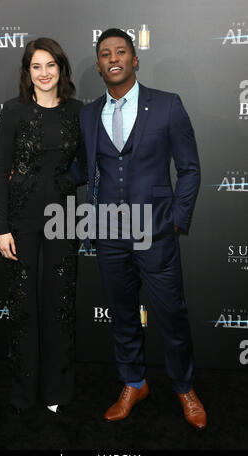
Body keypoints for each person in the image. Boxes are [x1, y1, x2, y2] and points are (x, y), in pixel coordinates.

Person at [70, 28, 206, 429]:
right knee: (123, 316)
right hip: (108, 234)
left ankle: (184, 387)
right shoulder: (88, 113)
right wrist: (36, 168)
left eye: (121, 51)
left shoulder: (166, 106)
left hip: (156, 233)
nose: (113, 58)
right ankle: (134, 382)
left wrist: (176, 220)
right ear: (98, 65)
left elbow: (190, 169)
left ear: (134, 60)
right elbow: (81, 169)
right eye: (105, 53)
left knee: (171, 316)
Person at [0, 37, 82, 415]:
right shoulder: (13, 111)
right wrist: (1, 228)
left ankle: (56, 391)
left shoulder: (78, 112)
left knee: (59, 305)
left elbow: (86, 165)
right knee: (24, 307)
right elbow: (0, 171)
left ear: (60, 69)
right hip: (21, 220)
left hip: (63, 220)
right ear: (27, 73)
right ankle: (23, 392)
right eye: (36, 66)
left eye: (50, 65)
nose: (44, 73)